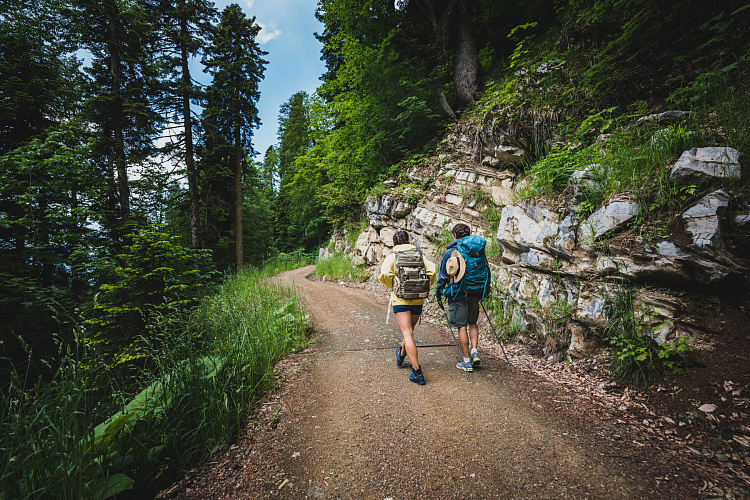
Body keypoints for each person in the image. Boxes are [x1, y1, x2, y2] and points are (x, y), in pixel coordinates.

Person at [378, 230, 437, 385]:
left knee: (407, 333)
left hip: (401, 300)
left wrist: (393, 286)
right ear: (408, 240)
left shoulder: (393, 257)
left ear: (395, 242)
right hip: (418, 299)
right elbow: (432, 270)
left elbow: (384, 274)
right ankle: (401, 354)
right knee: (409, 332)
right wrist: (424, 285)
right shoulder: (419, 256)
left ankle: (417, 372)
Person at [435, 223, 491, 372]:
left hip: (458, 293)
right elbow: (486, 270)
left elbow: (443, 276)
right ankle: (474, 351)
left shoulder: (451, 252)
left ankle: (466, 362)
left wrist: (438, 292)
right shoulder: (478, 251)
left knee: (462, 326)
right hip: (475, 291)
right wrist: (484, 292)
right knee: (473, 322)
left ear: (454, 235)